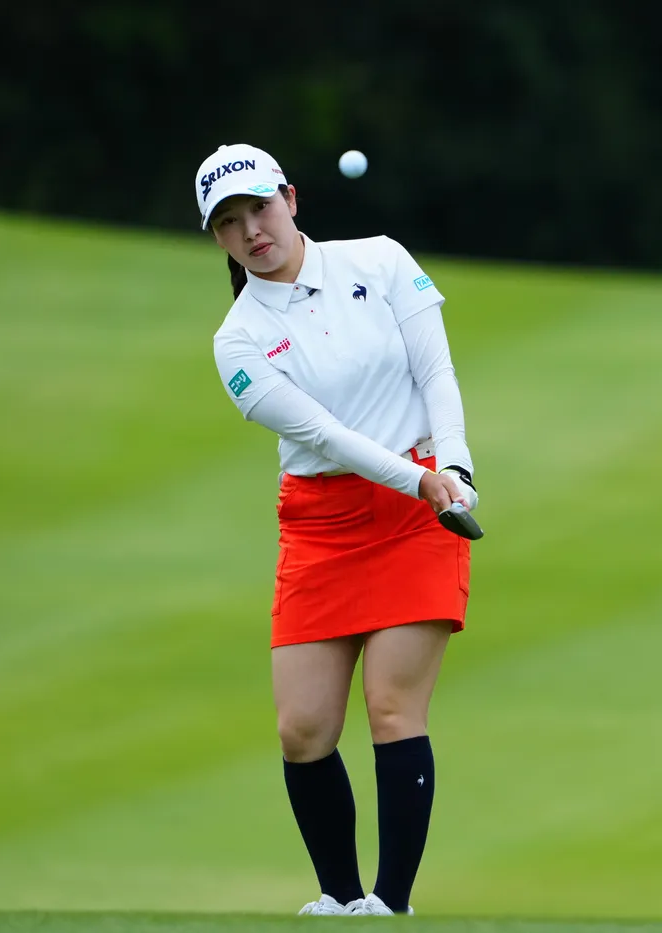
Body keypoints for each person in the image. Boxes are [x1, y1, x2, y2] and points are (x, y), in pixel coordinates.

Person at [198, 143, 480, 917]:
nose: (251, 230)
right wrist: (420, 477)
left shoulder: (381, 260)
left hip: (417, 517)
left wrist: (452, 464)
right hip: (323, 523)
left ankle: (390, 903)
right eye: (229, 222)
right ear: (217, 238)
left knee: (391, 707)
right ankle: (339, 898)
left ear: (290, 198)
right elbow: (323, 434)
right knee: (303, 727)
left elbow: (435, 371)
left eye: (259, 208)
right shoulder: (237, 342)